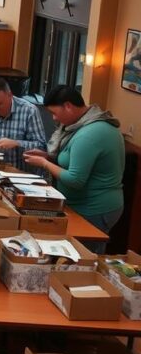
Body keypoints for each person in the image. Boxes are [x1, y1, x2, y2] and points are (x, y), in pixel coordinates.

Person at [24, 86, 125, 251]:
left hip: (95, 208)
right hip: (80, 204)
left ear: (68, 106)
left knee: (84, 255)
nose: (54, 118)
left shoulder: (90, 133)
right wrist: (47, 156)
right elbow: (72, 160)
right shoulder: (80, 126)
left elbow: (75, 179)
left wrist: (44, 163)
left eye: (54, 113)